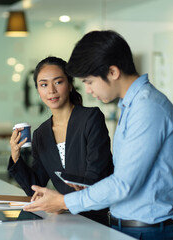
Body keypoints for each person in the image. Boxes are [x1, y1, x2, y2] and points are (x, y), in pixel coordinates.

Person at [23, 31, 173, 240]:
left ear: (113, 72)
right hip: (125, 227)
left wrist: (63, 202)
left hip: (148, 232)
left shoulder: (147, 107)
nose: (87, 90)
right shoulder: (130, 106)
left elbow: (124, 184)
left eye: (89, 81)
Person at [8, 56, 113, 225]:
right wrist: (15, 155)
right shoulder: (41, 134)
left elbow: (95, 177)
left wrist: (61, 203)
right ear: (38, 90)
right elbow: (35, 188)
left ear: (70, 84)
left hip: (98, 218)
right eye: (43, 84)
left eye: (58, 82)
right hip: (66, 221)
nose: (51, 90)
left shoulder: (90, 118)